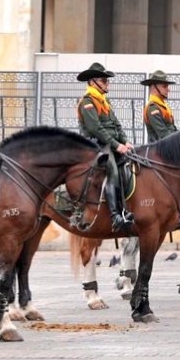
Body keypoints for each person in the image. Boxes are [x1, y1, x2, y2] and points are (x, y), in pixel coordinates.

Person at [76, 62, 134, 235]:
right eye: (104, 80)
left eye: (107, 80)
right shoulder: (87, 102)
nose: (107, 83)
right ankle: (116, 216)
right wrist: (117, 145)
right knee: (113, 171)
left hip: (110, 143)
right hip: (96, 146)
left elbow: (116, 124)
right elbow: (96, 129)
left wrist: (125, 142)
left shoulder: (103, 101)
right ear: (93, 82)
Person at [141, 70, 180, 229]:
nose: (167, 89)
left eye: (167, 86)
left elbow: (172, 130)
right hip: (159, 150)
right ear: (154, 88)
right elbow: (163, 134)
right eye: (164, 85)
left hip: (167, 147)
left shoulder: (162, 106)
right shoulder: (153, 108)